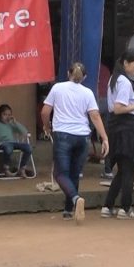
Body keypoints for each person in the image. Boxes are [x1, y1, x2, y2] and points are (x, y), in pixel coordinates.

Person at [41, 62, 110, 223]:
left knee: (60, 174)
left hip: (63, 135)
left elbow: (45, 111)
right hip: (82, 137)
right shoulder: (87, 92)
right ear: (84, 77)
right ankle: (68, 210)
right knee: (74, 174)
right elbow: (95, 116)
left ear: (68, 73)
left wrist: (46, 127)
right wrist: (104, 138)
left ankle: (75, 198)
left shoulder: (58, 88)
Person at [103, 48, 134, 219]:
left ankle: (108, 206)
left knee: (123, 169)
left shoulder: (115, 79)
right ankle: (125, 208)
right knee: (129, 167)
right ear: (126, 63)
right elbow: (118, 108)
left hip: (117, 127)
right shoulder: (124, 82)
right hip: (126, 127)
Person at [0, 104, 34, 177]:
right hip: (1, 143)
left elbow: (24, 132)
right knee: (8, 147)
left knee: (28, 147)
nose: (7, 117)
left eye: (9, 115)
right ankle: (6, 170)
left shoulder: (11, 124)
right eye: (4, 114)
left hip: (13, 143)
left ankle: (22, 169)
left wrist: (15, 122)